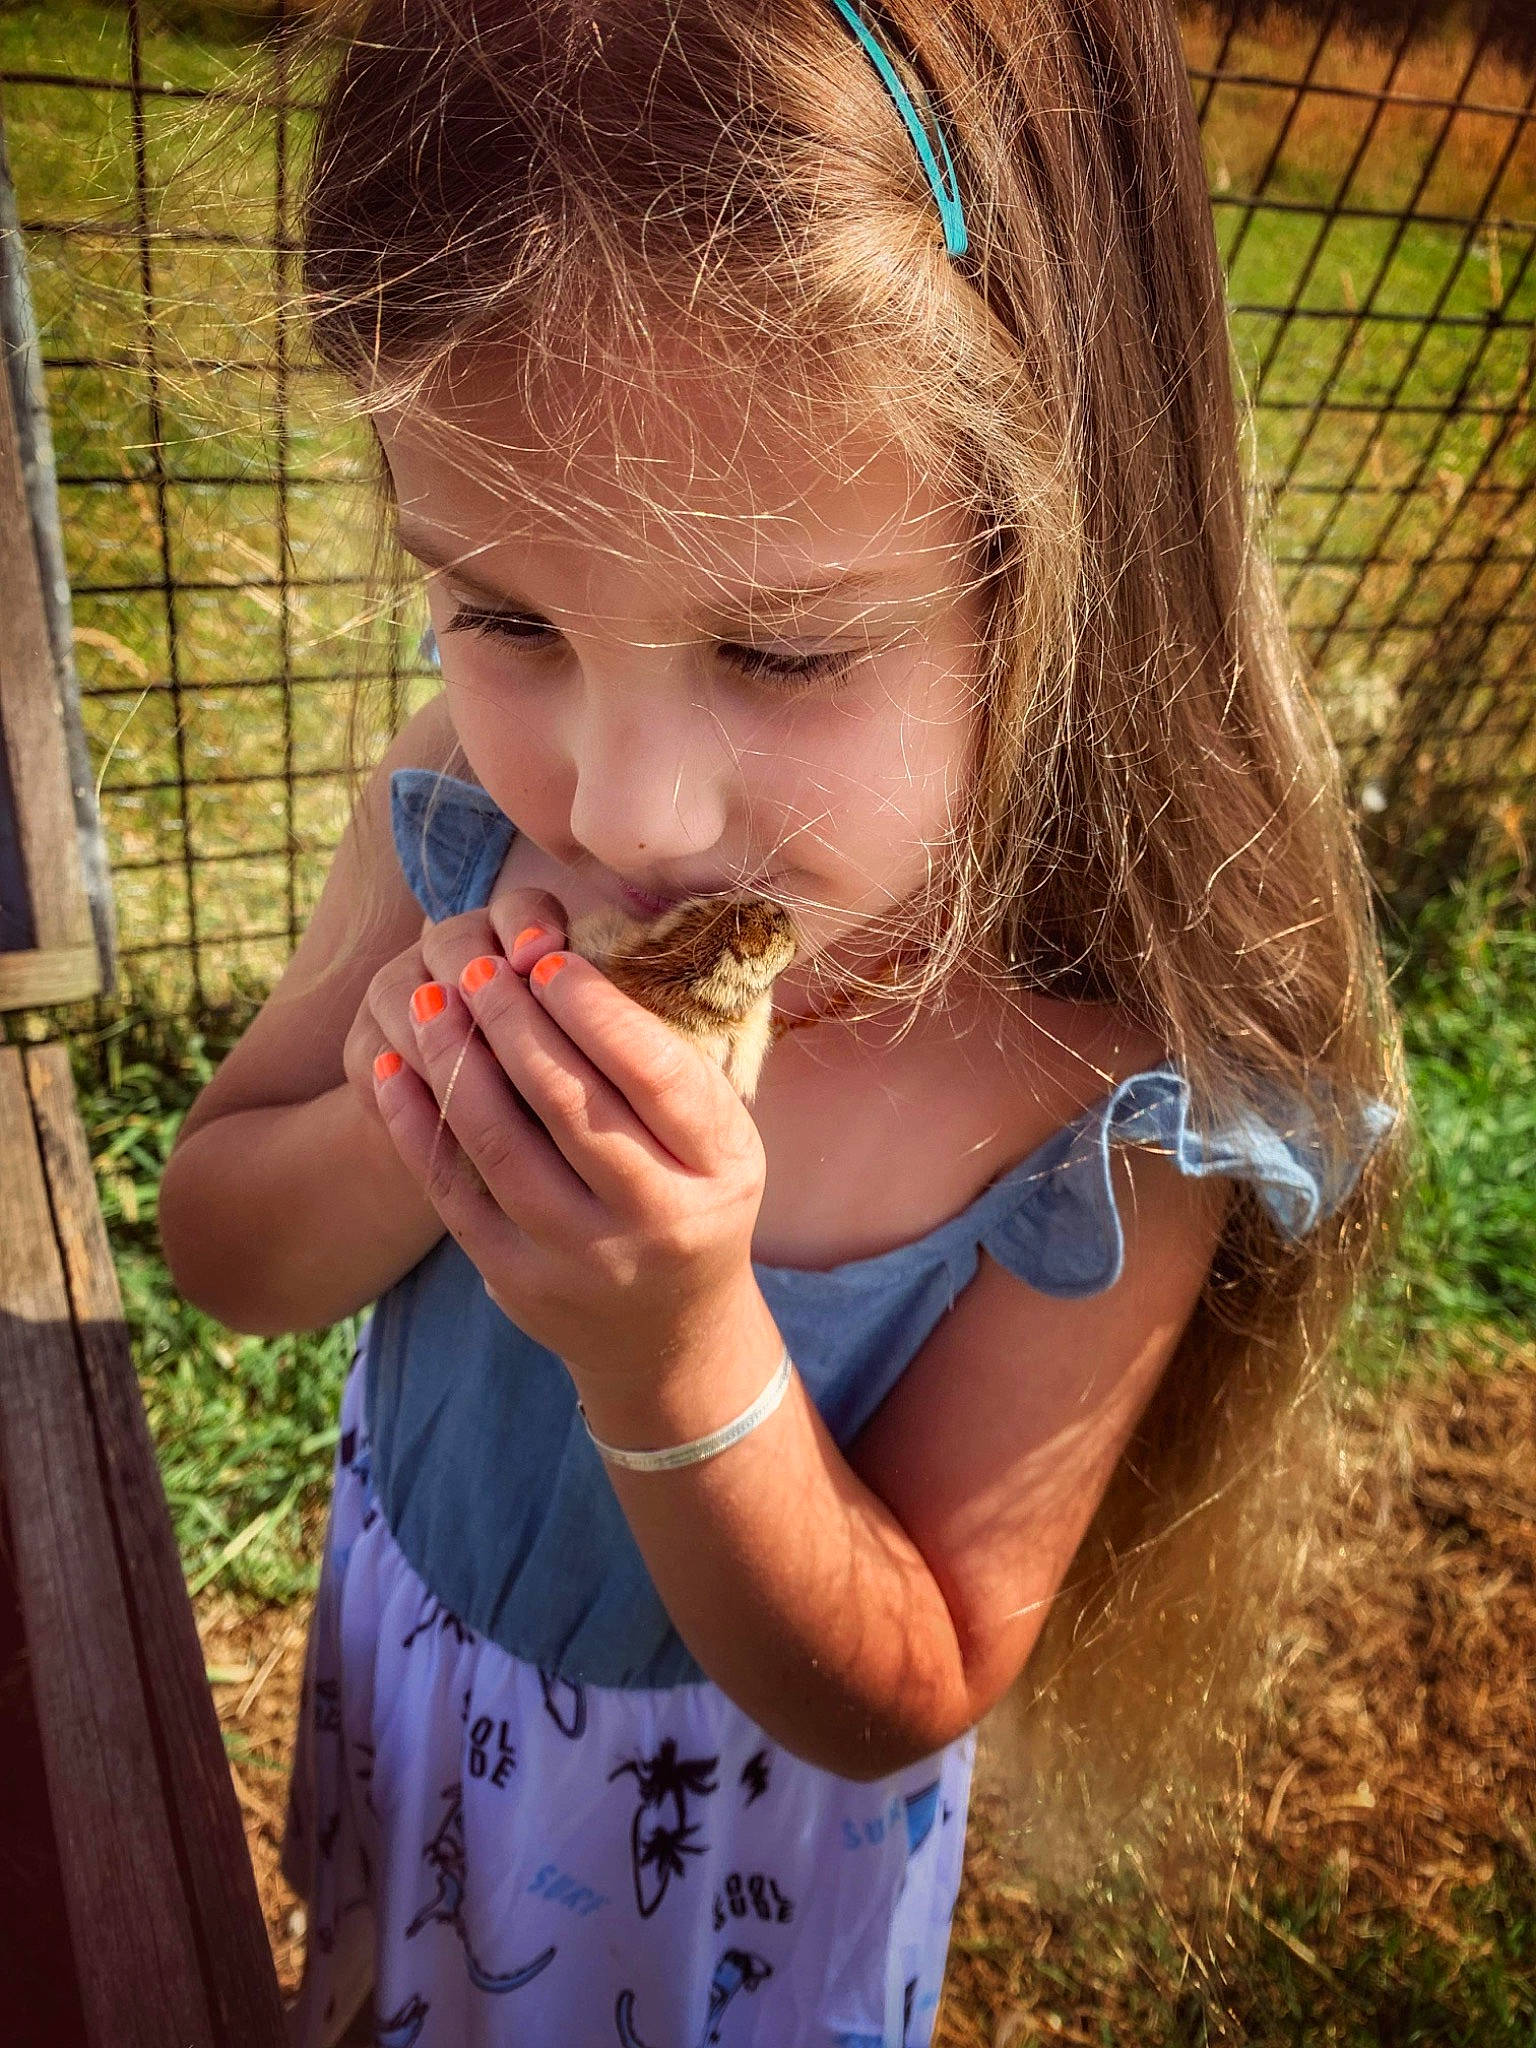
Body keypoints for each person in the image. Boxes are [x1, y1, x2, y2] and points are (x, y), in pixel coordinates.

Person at [157, 1, 1404, 2042]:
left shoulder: (1101, 1111)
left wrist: (672, 1349)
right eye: (504, 614)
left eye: (781, 647)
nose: (623, 806)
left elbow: (902, 1669)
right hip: (423, 1732)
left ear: (1058, 568)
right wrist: (418, 1109)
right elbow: (223, 1242)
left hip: (710, 1911)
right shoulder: (460, 831)